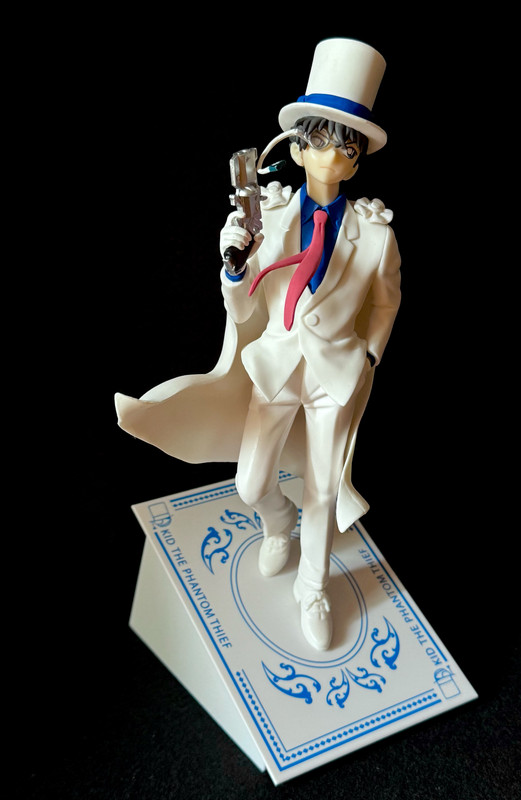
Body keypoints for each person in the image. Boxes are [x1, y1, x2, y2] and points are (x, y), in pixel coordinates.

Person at [115, 38, 401, 651]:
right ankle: (277, 521)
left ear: (356, 163)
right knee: (251, 482)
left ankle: (314, 588)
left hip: (335, 376)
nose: (332, 155)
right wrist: (233, 264)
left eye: (347, 148)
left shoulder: (375, 235)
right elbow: (243, 306)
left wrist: (371, 351)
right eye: (320, 140)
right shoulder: (265, 219)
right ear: (296, 148)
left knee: (324, 486)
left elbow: (386, 301)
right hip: (276, 366)